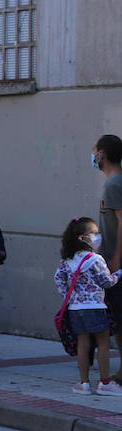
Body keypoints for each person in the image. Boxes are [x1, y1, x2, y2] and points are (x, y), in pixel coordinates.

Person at [54, 217, 122, 395]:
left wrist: (68, 297)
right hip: (95, 307)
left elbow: (58, 278)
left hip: (75, 309)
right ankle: (105, 383)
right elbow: (106, 282)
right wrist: (119, 273)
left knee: (82, 344)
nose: (98, 236)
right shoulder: (95, 259)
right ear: (82, 238)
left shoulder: (68, 260)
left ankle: (84, 383)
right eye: (94, 233)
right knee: (103, 343)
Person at [93, 135, 122, 363]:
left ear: (102, 153)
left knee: (119, 320)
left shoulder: (114, 184)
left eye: (95, 151)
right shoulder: (113, 182)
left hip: (116, 265)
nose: (93, 156)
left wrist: (115, 259)